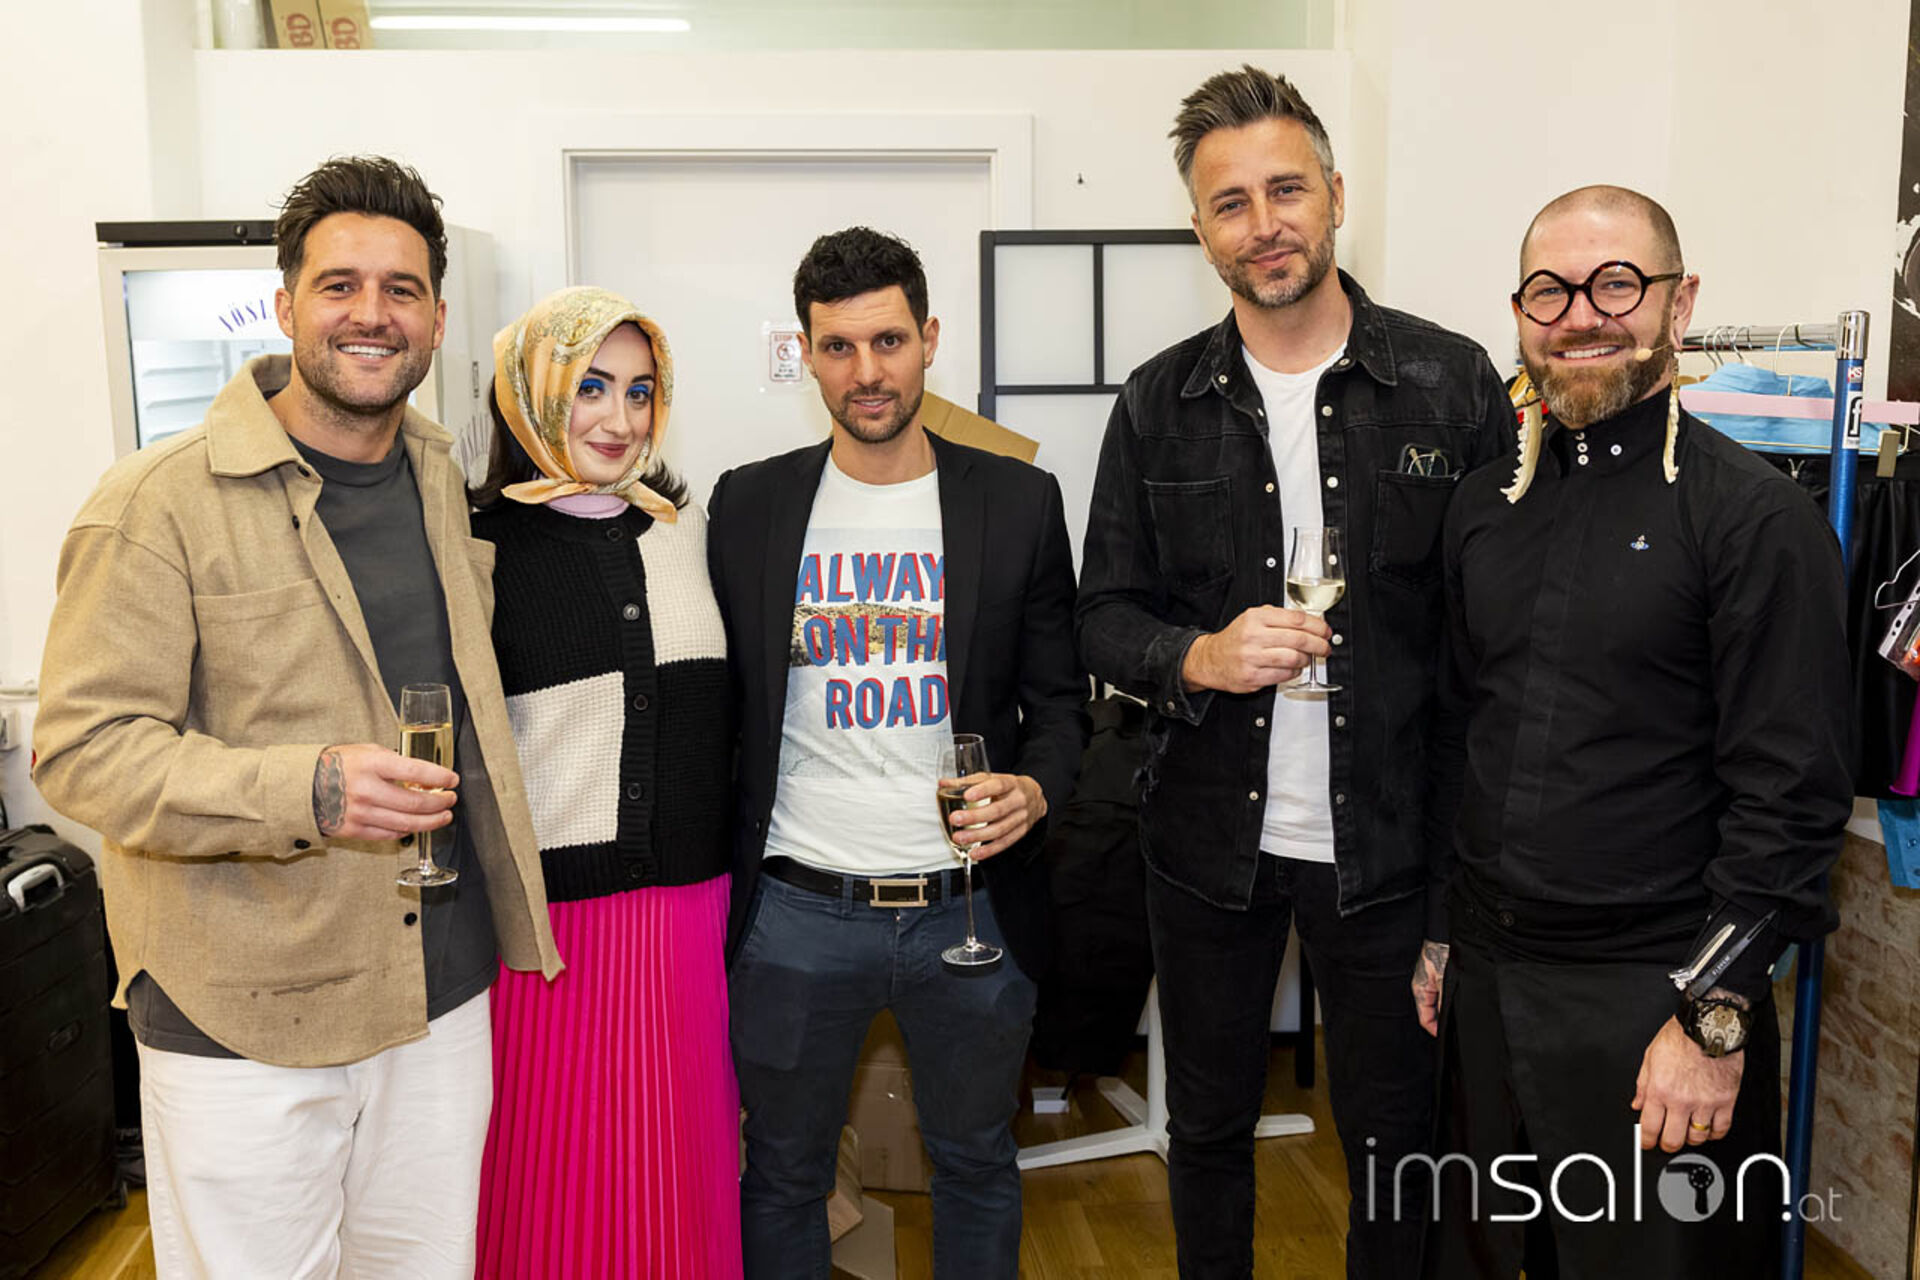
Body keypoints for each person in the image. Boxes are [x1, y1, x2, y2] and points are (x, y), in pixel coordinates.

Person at [32, 156, 558, 1278]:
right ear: (285, 306)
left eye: (402, 289)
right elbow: (81, 751)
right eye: (339, 285)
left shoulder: (437, 476)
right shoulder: (156, 503)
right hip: (244, 1015)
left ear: (437, 320)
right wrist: (307, 789)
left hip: (438, 995)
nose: (372, 313)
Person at [1074, 66, 1517, 1279]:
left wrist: (1460, 894)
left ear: (1335, 195)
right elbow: (1101, 616)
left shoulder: (1454, 383)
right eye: (1229, 202)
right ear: (1200, 228)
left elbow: (1495, 648)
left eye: (1285, 189)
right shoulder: (1157, 402)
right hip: (1206, 844)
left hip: (1394, 854)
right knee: (1208, 1128)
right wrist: (1199, 655)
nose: (1262, 223)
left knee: (1396, 1146)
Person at [1417, 185, 1853, 1278]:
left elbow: (1793, 797)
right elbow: (1462, 733)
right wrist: (1441, 933)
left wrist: (1713, 1022)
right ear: (1519, 313)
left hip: (1657, 999)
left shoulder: (1756, 519)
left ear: (1679, 301)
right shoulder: (1481, 508)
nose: (1581, 316)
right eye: (1550, 291)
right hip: (1490, 985)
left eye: (1616, 284)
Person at [708, 226, 1086, 1279]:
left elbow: (1063, 706)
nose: (865, 372)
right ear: (807, 353)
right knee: (781, 1175)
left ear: (929, 339)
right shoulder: (749, 503)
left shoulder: (1016, 501)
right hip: (794, 909)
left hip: (968, 910)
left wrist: (1037, 788)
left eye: (887, 341)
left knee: (976, 1165)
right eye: (838, 347)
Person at [467, 286, 740, 1277]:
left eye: (638, 390)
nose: (618, 418)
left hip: (686, 918)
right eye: (589, 387)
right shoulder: (476, 546)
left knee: (676, 1180)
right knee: (548, 1185)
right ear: (531, 395)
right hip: (543, 935)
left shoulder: (686, 532)